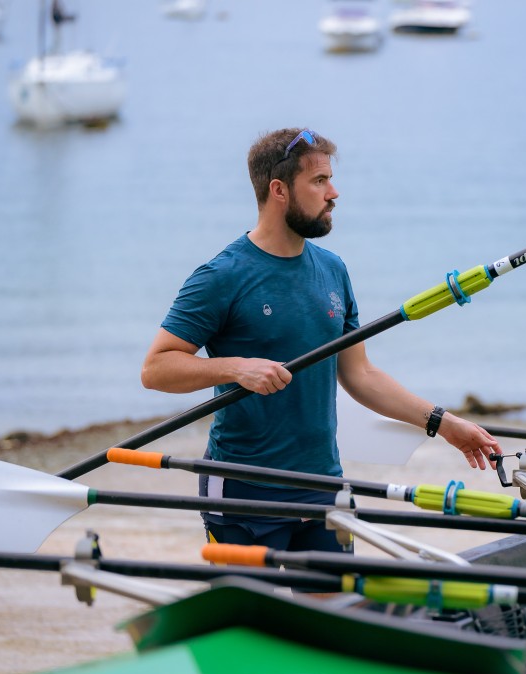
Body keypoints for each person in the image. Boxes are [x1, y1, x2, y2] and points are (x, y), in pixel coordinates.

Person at [141, 127, 503, 552]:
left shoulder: (333, 270)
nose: (334, 193)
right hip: (243, 489)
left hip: (322, 483)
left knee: (329, 613)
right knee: (252, 617)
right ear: (279, 190)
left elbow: (361, 375)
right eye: (319, 181)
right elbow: (156, 368)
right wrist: (235, 367)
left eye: (330, 179)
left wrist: (444, 423)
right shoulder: (222, 276)